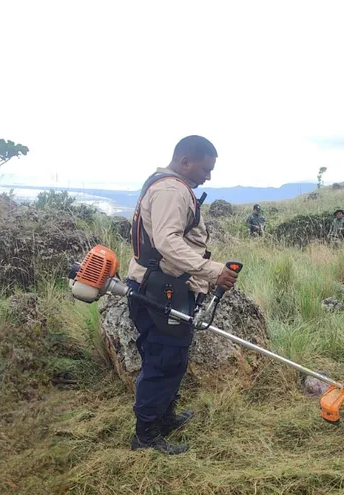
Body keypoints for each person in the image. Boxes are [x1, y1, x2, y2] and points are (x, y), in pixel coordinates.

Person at [125, 135, 239, 455]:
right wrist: (212, 270)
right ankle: (146, 436)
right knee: (162, 361)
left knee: (171, 358)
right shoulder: (171, 190)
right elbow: (167, 243)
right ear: (186, 161)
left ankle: (164, 417)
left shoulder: (169, 185)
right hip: (159, 290)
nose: (209, 176)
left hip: (165, 288)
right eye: (206, 168)